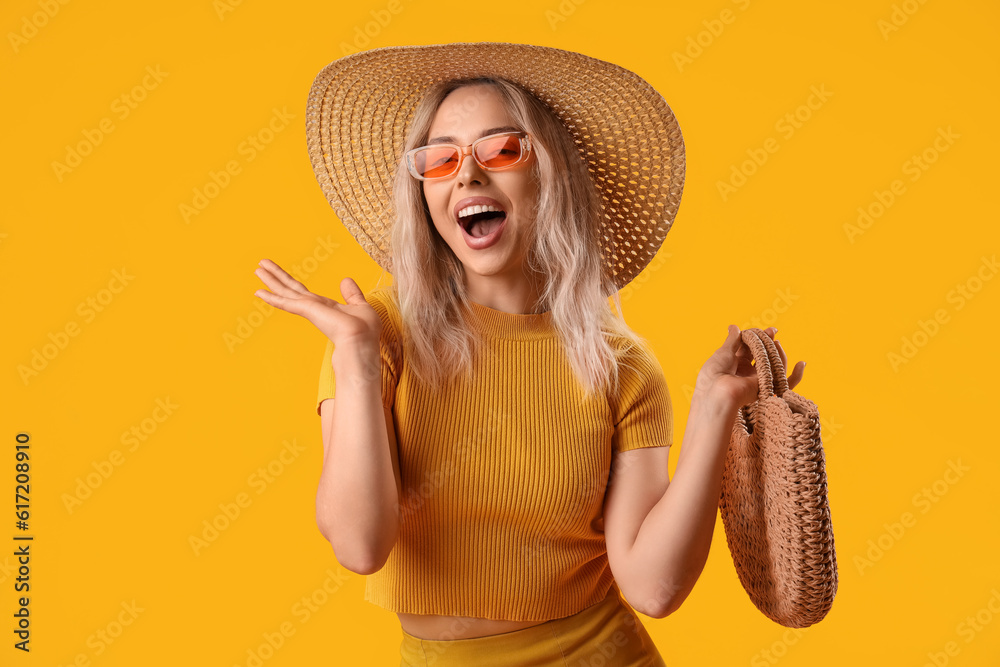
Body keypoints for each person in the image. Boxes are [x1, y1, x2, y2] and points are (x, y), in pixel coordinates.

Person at [253, 43, 805, 666]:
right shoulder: (371, 334)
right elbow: (359, 545)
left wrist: (712, 410)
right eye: (441, 159)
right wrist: (354, 360)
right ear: (424, 191)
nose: (468, 174)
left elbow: (652, 587)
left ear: (550, 174)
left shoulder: (620, 366)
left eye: (502, 149)